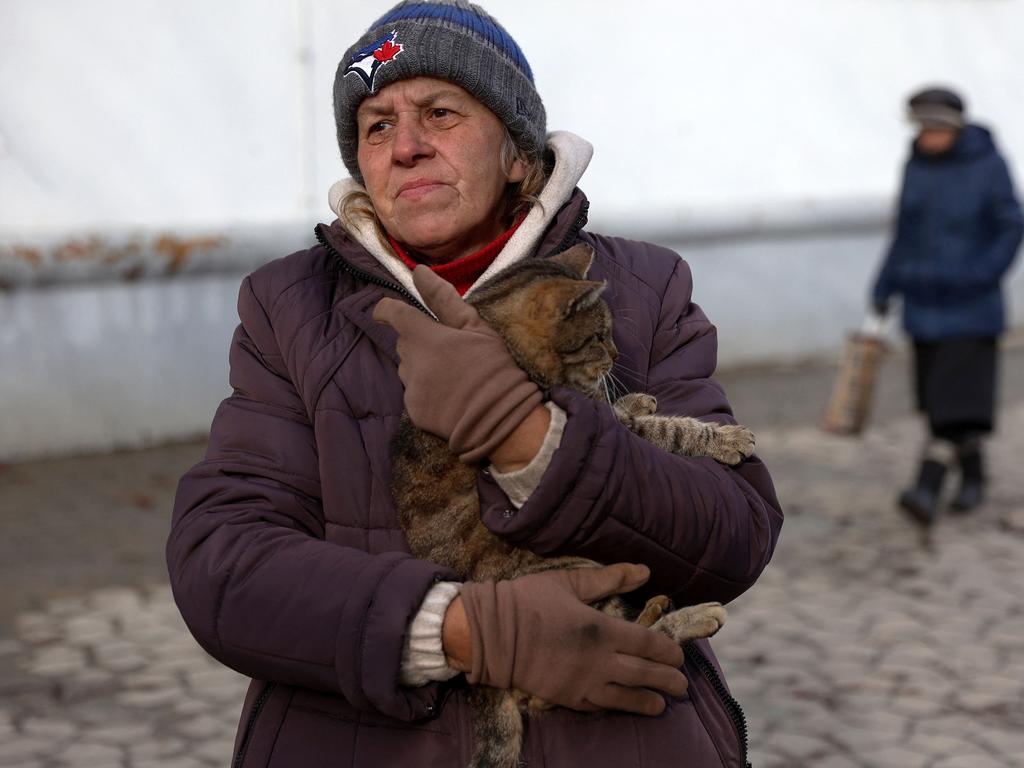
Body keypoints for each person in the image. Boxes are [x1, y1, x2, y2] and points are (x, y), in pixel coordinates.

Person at [166, 2, 783, 765]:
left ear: (519, 153)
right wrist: (466, 631)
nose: (408, 148)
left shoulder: (642, 288)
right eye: (378, 126)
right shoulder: (288, 310)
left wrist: (528, 436)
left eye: (441, 113)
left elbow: (733, 534)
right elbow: (221, 563)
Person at [872, 86, 1023, 525]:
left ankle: (926, 487)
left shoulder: (989, 166)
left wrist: (980, 274)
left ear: (954, 128)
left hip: (971, 309)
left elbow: (1011, 226)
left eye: (936, 128)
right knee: (944, 403)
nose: (928, 136)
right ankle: (975, 477)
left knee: (950, 406)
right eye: (922, 128)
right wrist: (885, 285)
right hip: (923, 306)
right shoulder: (915, 166)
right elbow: (903, 232)